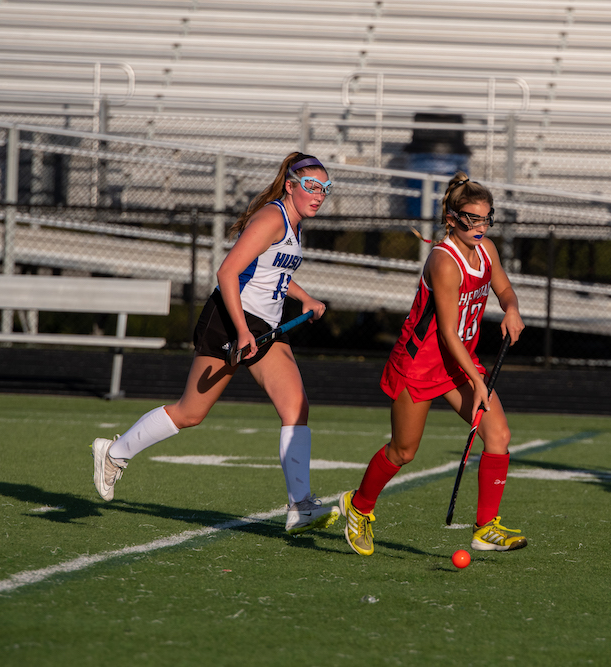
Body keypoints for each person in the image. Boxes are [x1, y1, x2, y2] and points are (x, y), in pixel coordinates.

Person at [91, 152, 334, 536]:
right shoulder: (273, 217)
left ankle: (300, 506)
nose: (319, 194)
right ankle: (114, 452)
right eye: (311, 186)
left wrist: (302, 296)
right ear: (290, 186)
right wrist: (241, 331)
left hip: (266, 326)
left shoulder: (296, 223)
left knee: (296, 407)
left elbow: (272, 268)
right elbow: (227, 272)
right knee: (190, 412)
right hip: (230, 322)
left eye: (325, 188)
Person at [335, 172, 526, 556]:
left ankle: (485, 528)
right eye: (473, 219)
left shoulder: (486, 250)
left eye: (487, 218)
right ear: (453, 218)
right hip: (420, 363)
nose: (481, 226)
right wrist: (477, 382)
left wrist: (512, 310)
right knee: (403, 452)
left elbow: (503, 288)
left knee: (499, 435)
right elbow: (447, 336)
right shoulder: (444, 262)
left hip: (459, 363)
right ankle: (359, 506)